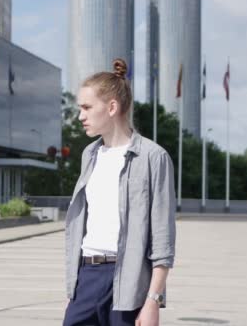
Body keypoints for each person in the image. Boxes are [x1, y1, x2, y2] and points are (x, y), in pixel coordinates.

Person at [63, 59, 176, 326]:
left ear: (112, 107)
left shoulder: (153, 157)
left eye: (87, 107)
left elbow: (162, 238)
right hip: (87, 276)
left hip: (129, 280)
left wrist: (153, 301)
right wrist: (74, 290)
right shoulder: (89, 155)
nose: (80, 116)